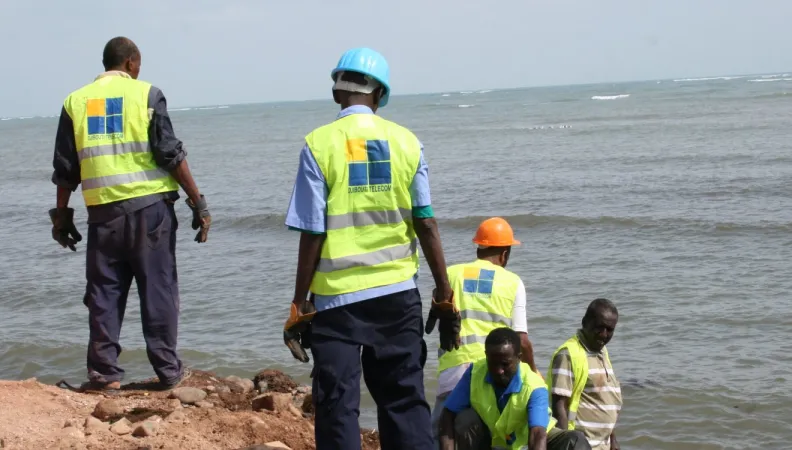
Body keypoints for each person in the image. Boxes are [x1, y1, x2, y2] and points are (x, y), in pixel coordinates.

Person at [281, 47, 460, 450]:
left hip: (336, 302)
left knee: (337, 406)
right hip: (397, 296)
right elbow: (426, 222)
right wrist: (445, 296)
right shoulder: (408, 143)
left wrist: (299, 305)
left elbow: (312, 232)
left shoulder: (318, 145)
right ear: (380, 95)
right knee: (404, 402)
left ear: (337, 93)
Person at [49, 36, 211, 390]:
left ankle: (104, 374)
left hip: (102, 215)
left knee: (104, 293)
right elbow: (169, 154)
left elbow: (65, 168)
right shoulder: (147, 94)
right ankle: (168, 372)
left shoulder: (75, 101)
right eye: (139, 64)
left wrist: (62, 216)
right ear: (131, 63)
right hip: (150, 212)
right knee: (158, 289)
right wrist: (197, 201)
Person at [431, 217, 540, 443]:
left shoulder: (450, 274)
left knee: (440, 434)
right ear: (505, 254)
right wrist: (534, 372)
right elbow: (522, 340)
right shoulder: (513, 283)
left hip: (452, 372)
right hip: (491, 374)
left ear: (478, 248)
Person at [439, 328, 590, 450]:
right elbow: (448, 414)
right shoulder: (474, 373)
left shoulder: (534, 386)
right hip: (494, 441)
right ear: (486, 356)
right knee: (465, 419)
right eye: (493, 363)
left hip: (530, 442)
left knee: (575, 440)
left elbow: (537, 434)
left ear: (519, 358)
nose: (499, 370)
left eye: (505, 364)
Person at [547, 299, 622, 450]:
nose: (604, 334)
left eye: (609, 329)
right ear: (585, 322)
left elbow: (605, 398)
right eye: (599, 327)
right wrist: (565, 443)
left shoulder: (601, 351)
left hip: (602, 444)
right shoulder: (568, 354)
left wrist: (612, 439)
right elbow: (559, 406)